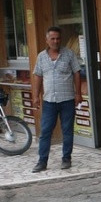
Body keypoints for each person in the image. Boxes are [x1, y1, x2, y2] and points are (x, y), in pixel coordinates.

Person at [32, 26, 82, 172]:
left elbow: (77, 73)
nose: (55, 41)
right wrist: (35, 96)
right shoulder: (41, 57)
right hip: (49, 101)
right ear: (47, 40)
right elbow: (38, 76)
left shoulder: (69, 54)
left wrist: (78, 94)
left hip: (67, 99)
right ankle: (42, 161)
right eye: (52, 38)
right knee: (45, 131)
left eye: (58, 38)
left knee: (67, 130)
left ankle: (66, 158)